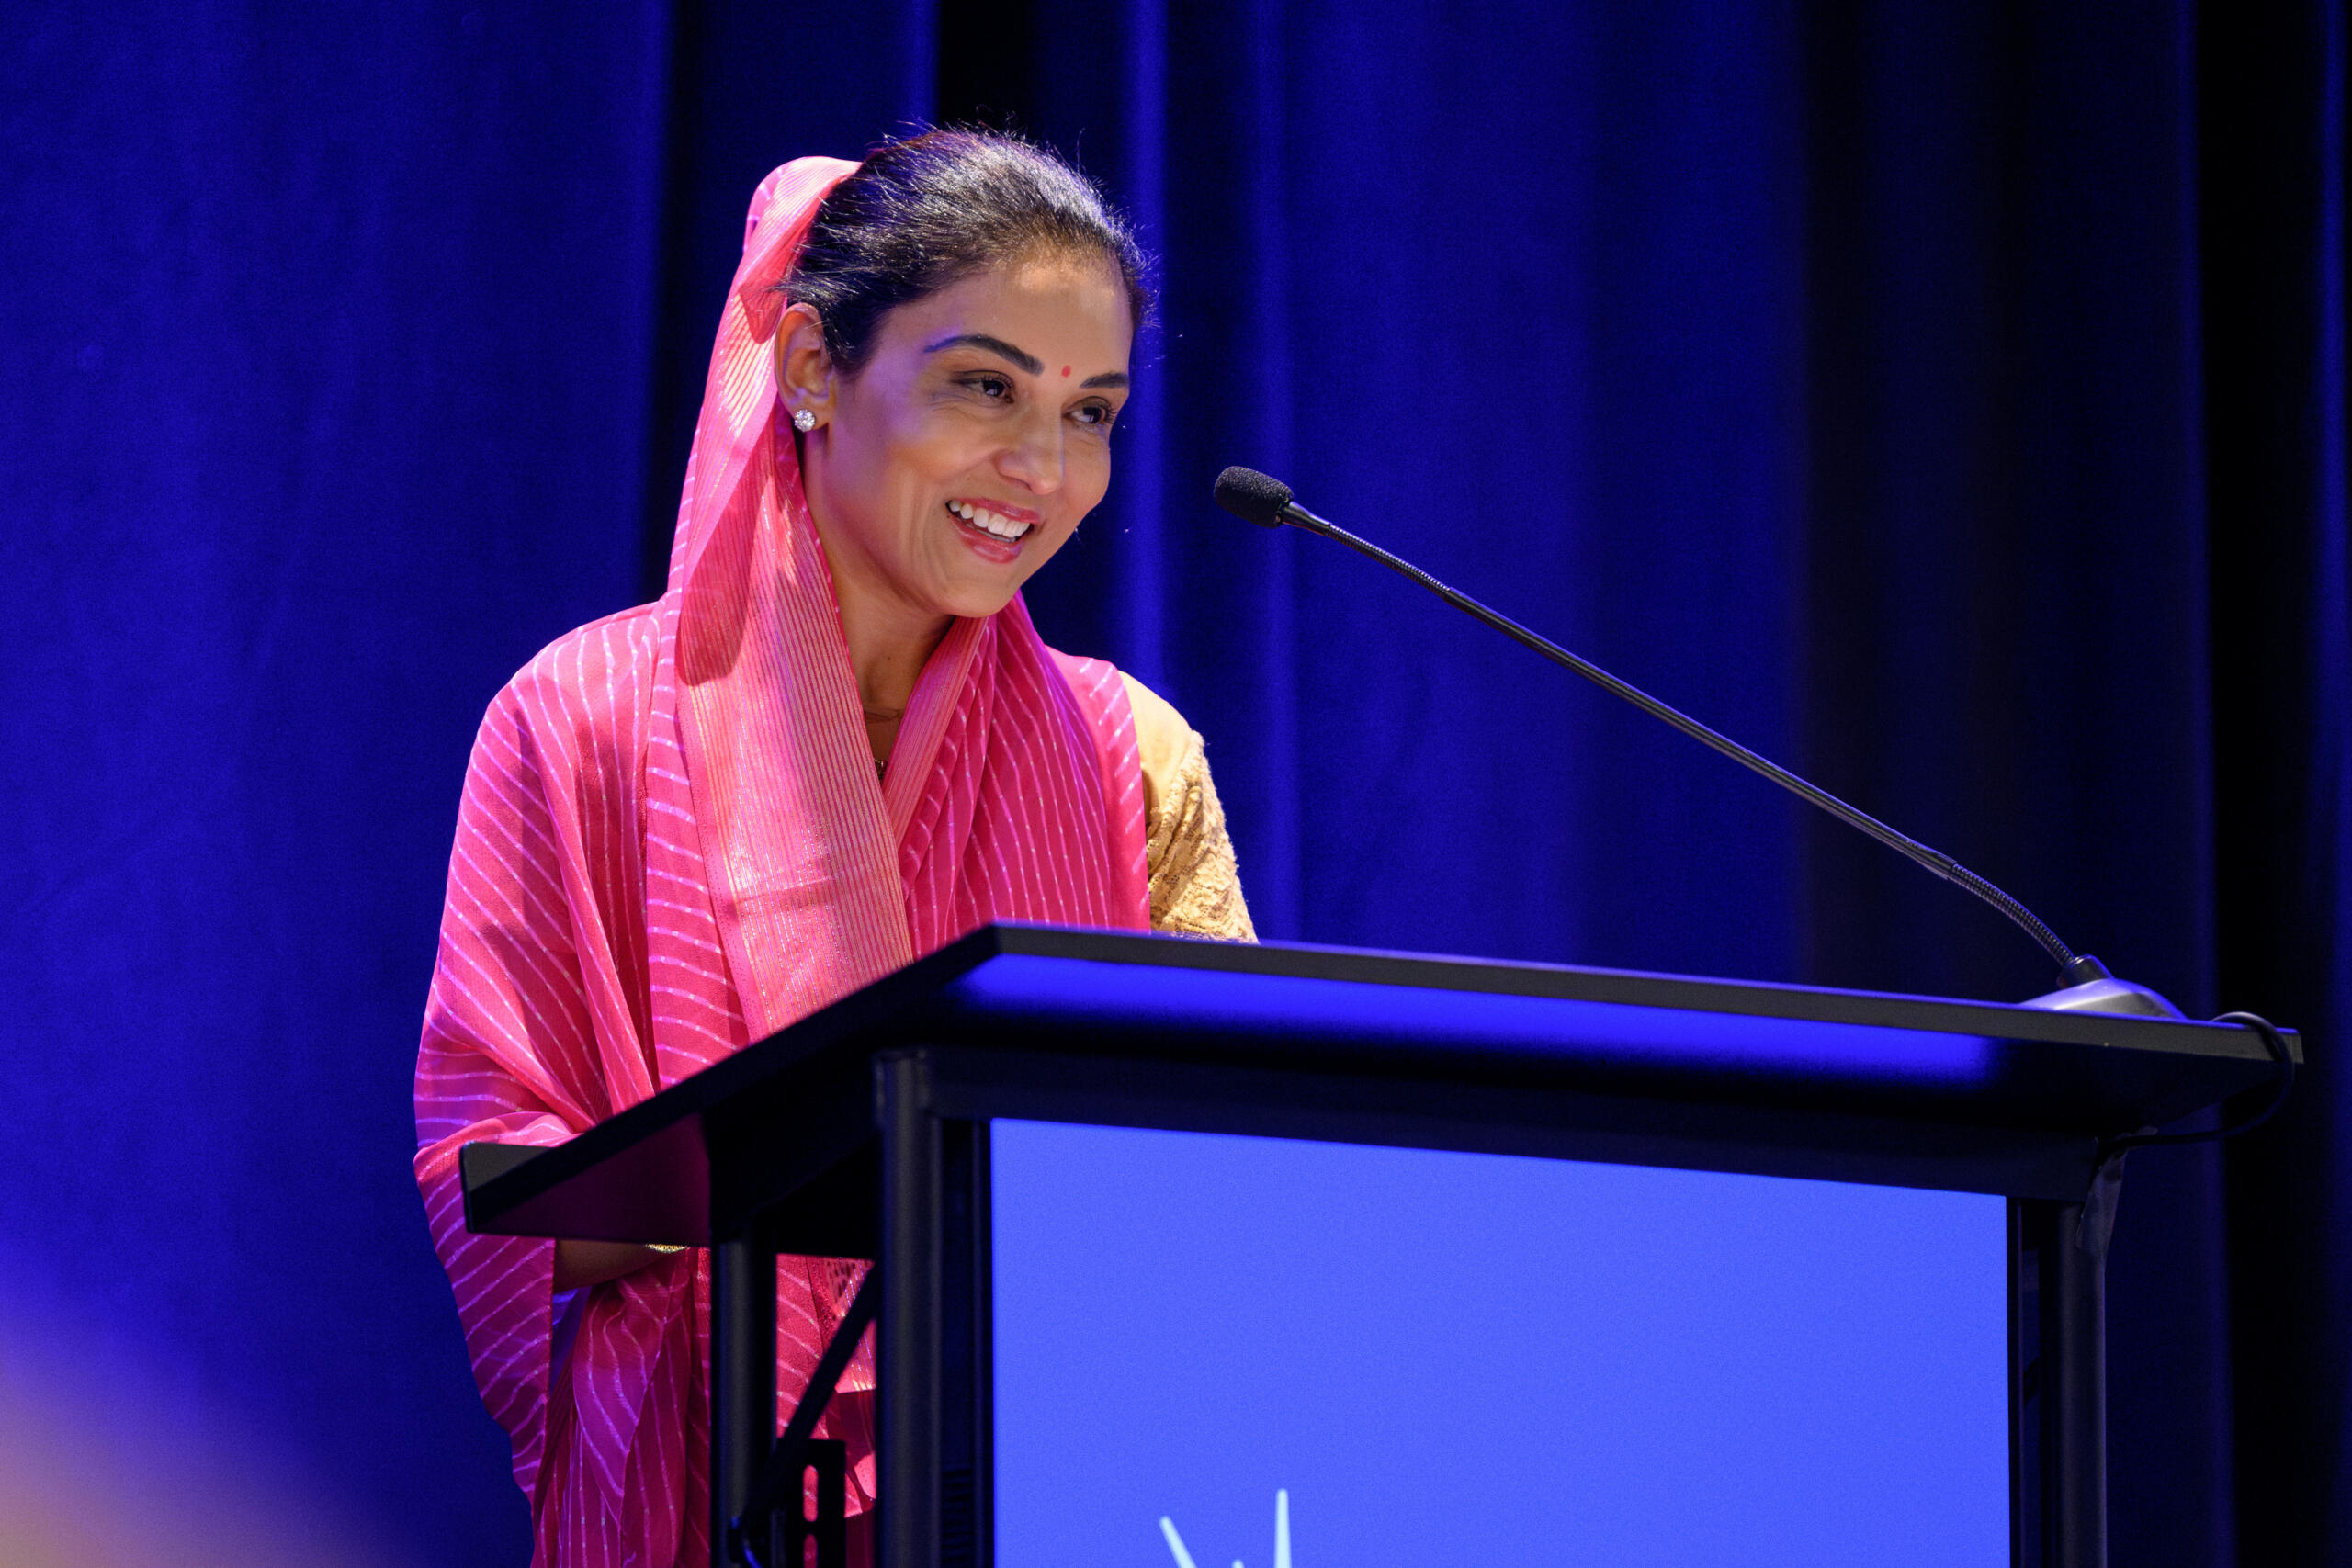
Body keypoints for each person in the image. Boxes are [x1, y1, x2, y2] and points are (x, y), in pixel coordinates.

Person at [413, 130, 1253, 1568]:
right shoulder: (583, 718)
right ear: (809, 365)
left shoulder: (1134, 756)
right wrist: (788, 1172)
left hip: (1048, 1484)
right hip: (701, 1484)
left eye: (1091, 412)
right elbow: (487, 1179)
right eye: (986, 385)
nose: (1042, 466)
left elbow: (1219, 1161)